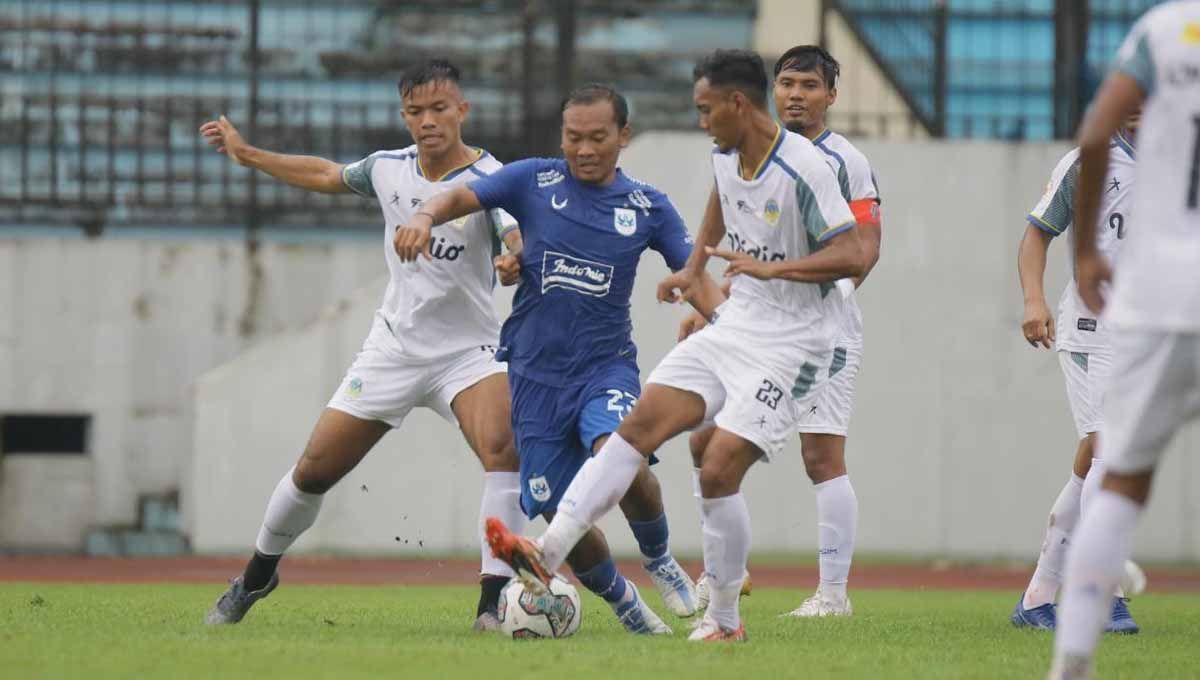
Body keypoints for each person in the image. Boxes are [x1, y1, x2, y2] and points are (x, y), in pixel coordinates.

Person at [483, 49, 866, 642]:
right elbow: (720, 200)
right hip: (739, 326)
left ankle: (725, 622)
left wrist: (774, 270)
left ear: (738, 104)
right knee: (638, 429)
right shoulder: (727, 151)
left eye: (705, 108)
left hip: (798, 344)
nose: (700, 120)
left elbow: (854, 252)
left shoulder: (805, 168)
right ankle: (548, 552)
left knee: (717, 468)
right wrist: (692, 270)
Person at [199, 59, 527, 631]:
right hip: (393, 351)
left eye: (439, 109)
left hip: (468, 354)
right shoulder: (386, 169)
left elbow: (511, 232)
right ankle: (256, 575)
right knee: (313, 471)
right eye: (416, 111)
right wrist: (247, 154)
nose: (428, 121)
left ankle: (492, 602)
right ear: (404, 115)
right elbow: (326, 174)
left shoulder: (490, 176)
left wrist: (512, 258)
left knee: (505, 451)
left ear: (462, 111)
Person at [393, 83, 704, 634]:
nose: (583, 150)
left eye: (597, 139)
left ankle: (658, 559)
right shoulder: (532, 179)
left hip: (604, 366)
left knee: (620, 455)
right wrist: (424, 216)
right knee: (561, 513)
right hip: (533, 377)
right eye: (573, 138)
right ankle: (627, 603)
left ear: (623, 137)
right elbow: (460, 197)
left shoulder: (647, 207)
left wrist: (728, 324)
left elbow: (696, 277)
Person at [682, 45, 883, 618]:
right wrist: (706, 300)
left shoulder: (845, 162)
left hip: (820, 327)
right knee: (701, 438)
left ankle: (833, 595)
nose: (797, 94)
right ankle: (726, 571)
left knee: (821, 456)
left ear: (831, 97)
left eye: (810, 86)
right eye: (788, 83)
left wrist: (809, 305)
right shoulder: (741, 150)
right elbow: (732, 236)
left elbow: (863, 252)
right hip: (751, 323)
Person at [1050, 2, 1200, 678]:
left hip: (1160, 293)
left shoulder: (1168, 29)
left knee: (1117, 480)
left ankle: (1072, 663)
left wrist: (1084, 254)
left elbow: (1093, 134)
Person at [1012, 111, 1141, 634]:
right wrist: (1033, 299)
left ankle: (1039, 596)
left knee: (1091, 462)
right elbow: (1037, 234)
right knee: (1110, 451)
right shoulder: (1088, 163)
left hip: (1148, 337)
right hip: (1093, 328)